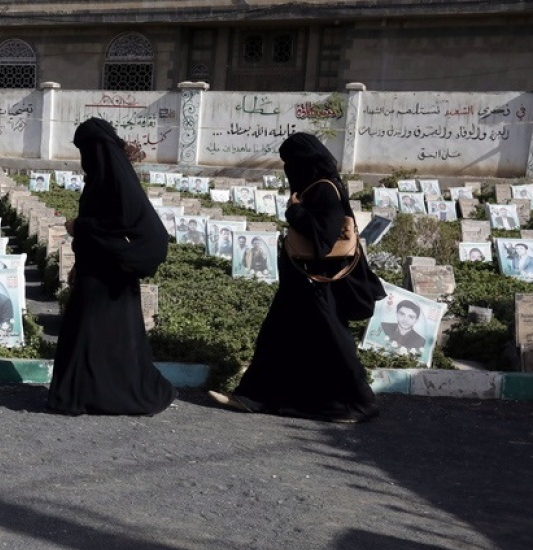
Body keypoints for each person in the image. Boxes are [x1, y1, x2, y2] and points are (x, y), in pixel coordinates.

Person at [210, 132, 380, 423]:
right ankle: (254, 397)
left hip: (315, 284)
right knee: (278, 339)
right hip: (301, 284)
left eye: (290, 162)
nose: (288, 169)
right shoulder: (319, 186)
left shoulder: (324, 190)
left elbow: (322, 240)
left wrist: (294, 211)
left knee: (333, 343)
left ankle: (358, 403)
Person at [46, 117, 176, 416]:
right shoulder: (105, 175)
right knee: (104, 336)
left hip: (109, 277)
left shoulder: (114, 179)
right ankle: (88, 395)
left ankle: (83, 396)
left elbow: (122, 225)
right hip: (99, 273)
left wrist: (79, 225)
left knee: (91, 334)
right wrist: (80, 260)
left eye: (84, 150)